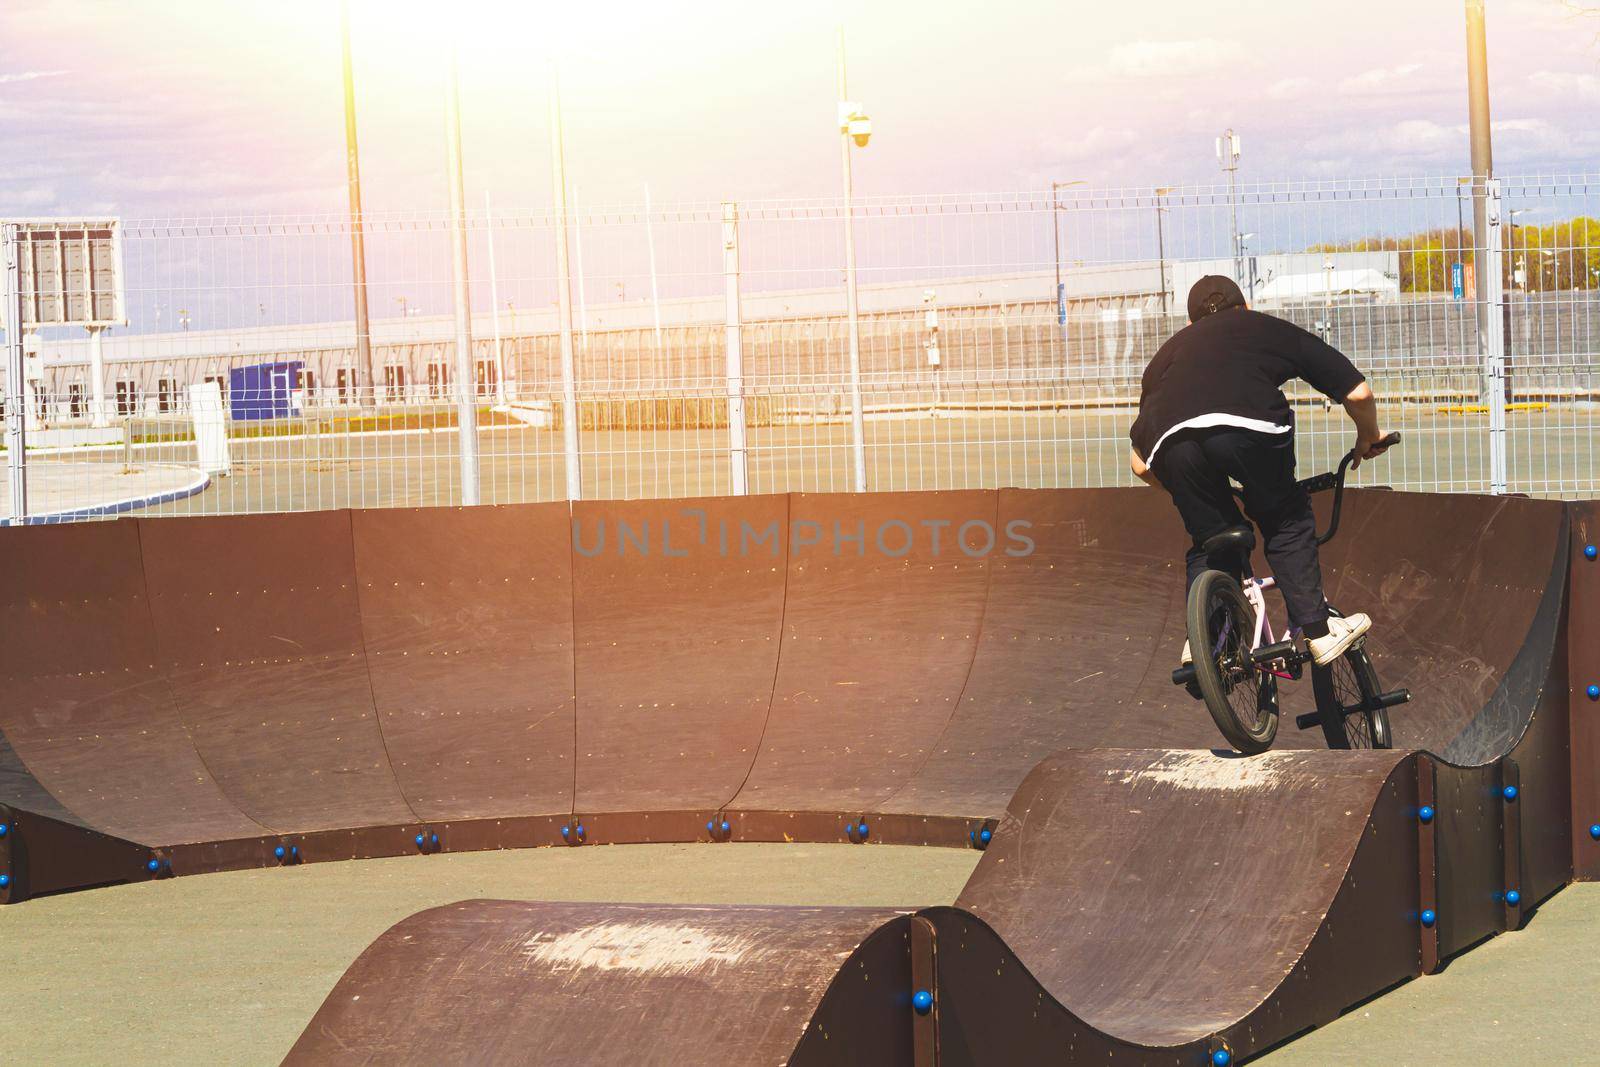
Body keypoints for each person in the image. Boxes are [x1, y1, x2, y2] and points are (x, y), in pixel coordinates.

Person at [1128, 276, 1391, 668]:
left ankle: (1201, 645)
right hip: (1251, 429)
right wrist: (1368, 437)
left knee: (1212, 539)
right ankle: (1319, 633)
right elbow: (1358, 394)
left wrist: (1196, 495)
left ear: (1190, 325)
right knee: (1285, 518)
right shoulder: (1261, 327)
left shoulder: (1167, 354)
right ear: (1245, 307)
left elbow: (1138, 464)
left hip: (1169, 445)